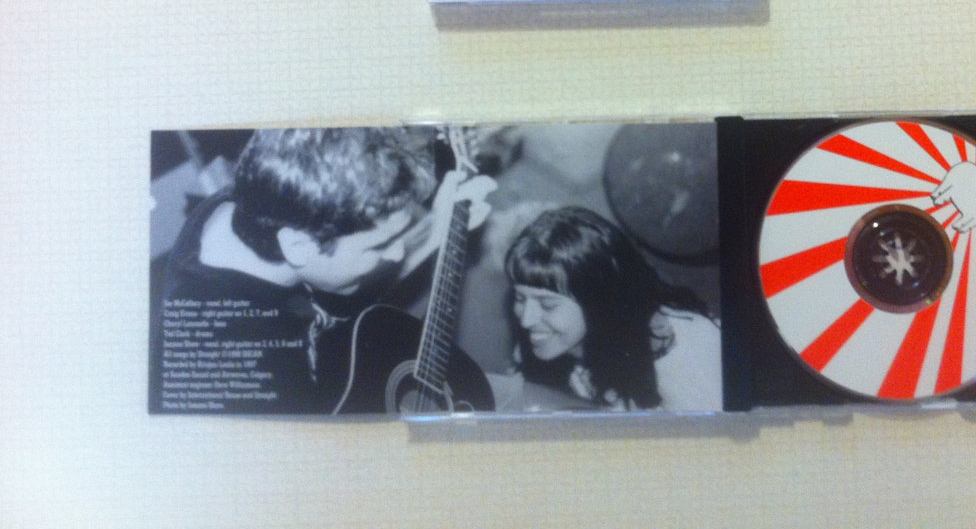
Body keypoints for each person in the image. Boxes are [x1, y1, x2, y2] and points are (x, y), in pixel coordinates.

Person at [148, 127, 495, 415]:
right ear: (299, 247)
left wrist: (436, 231)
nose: (398, 253)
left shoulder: (274, 195)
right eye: (378, 246)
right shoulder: (238, 371)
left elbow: (333, 298)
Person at [503, 206, 722, 412]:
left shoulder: (684, 352)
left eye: (547, 304)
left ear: (598, 300)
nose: (526, 320)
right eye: (520, 298)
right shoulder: (547, 339)